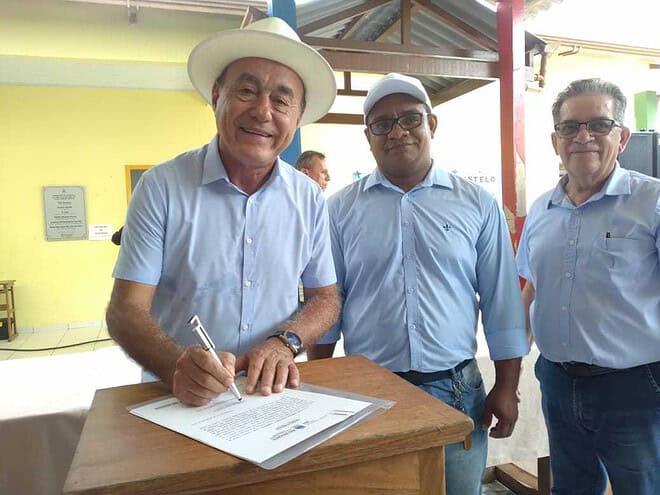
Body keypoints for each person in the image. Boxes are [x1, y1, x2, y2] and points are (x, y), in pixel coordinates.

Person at [308, 73, 529, 494]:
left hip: (455, 390)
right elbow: (328, 303)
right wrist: (319, 385)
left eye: (410, 118)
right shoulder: (338, 211)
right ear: (368, 137)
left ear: (432, 124)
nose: (397, 132)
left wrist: (507, 385)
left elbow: (501, 302)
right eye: (382, 124)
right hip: (370, 394)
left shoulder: (477, 205)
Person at [106, 17, 340, 407]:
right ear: (217, 96)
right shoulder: (161, 187)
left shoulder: (308, 198)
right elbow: (125, 309)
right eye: (247, 90)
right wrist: (175, 365)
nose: (263, 112)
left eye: (281, 100)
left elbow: (326, 298)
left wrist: (285, 342)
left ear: (297, 118)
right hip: (177, 398)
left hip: (273, 396)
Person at [517, 78, 660, 494]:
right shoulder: (542, 209)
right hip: (557, 381)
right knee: (571, 488)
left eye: (599, 124)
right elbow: (532, 288)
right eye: (570, 127)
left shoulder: (650, 202)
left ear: (623, 136)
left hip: (634, 387)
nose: (583, 136)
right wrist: (511, 367)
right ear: (555, 141)